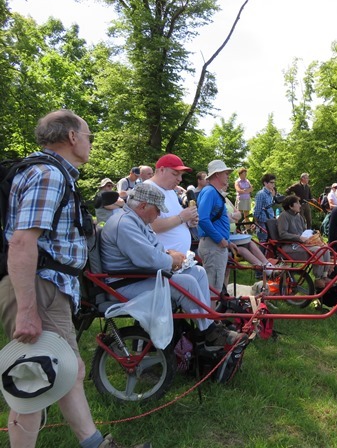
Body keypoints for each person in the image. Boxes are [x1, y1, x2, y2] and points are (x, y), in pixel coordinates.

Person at [0, 110, 150, 448]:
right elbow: (22, 241)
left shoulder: (51, 174)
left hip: (47, 286)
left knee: (67, 372)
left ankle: (95, 443)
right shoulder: (48, 175)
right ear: (71, 137)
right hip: (41, 287)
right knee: (34, 381)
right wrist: (27, 309)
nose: (90, 142)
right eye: (88, 135)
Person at [101, 184, 246, 351]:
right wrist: (171, 260)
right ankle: (209, 333)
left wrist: (172, 256)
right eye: (157, 210)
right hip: (124, 284)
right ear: (142, 206)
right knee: (185, 283)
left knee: (198, 272)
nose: (159, 214)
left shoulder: (136, 220)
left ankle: (207, 324)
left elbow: (154, 249)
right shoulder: (125, 224)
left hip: (138, 276)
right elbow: (149, 258)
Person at [146, 154, 198, 254]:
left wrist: (189, 221)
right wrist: (181, 218)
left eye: (181, 175)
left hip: (177, 262)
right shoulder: (148, 189)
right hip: (162, 262)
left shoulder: (170, 191)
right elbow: (151, 226)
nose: (180, 179)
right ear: (161, 170)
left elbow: (175, 218)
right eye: (175, 174)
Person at [198, 160, 235, 291]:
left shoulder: (212, 191)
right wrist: (220, 239)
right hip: (213, 246)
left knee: (215, 287)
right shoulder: (210, 192)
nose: (228, 176)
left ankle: (211, 310)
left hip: (215, 245)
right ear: (217, 174)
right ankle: (210, 311)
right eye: (226, 173)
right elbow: (203, 219)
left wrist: (227, 241)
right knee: (213, 289)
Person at [277, 195, 331, 281]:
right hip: (290, 246)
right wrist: (299, 238)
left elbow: (304, 232)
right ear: (291, 206)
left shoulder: (298, 216)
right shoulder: (284, 216)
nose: (300, 205)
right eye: (297, 203)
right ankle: (318, 278)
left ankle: (325, 276)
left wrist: (312, 234)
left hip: (302, 244)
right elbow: (282, 234)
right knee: (318, 250)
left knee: (325, 248)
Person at [253, 173, 277, 244]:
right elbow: (257, 209)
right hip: (263, 222)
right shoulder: (261, 194)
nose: (273, 184)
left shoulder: (270, 194)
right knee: (263, 242)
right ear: (265, 183)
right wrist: (256, 221)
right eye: (271, 182)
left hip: (270, 220)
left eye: (274, 183)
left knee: (270, 242)